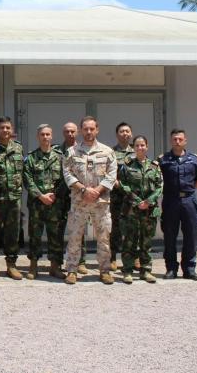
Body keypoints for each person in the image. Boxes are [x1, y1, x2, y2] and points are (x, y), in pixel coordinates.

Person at [62, 116, 117, 285]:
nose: (88, 132)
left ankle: (105, 270)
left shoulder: (108, 152)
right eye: (85, 129)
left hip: (101, 202)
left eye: (92, 129)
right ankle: (72, 270)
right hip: (79, 202)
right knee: (74, 236)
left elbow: (112, 175)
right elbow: (67, 173)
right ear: (80, 130)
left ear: (97, 130)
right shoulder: (72, 152)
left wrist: (98, 191)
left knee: (103, 237)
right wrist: (84, 189)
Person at [158, 129, 197, 281]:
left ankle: (189, 268)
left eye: (180, 139)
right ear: (171, 141)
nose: (177, 141)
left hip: (189, 201)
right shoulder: (163, 160)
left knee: (191, 234)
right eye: (174, 139)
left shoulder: (194, 159)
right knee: (169, 235)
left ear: (185, 141)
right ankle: (171, 268)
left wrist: (186, 193)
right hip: (171, 201)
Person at [23, 124, 66, 280]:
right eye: (42, 134)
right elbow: (27, 180)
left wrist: (54, 195)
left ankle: (55, 267)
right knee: (35, 235)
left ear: (52, 136)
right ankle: (33, 267)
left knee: (55, 236)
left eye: (48, 134)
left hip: (55, 204)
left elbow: (65, 179)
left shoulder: (60, 157)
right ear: (38, 137)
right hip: (37, 204)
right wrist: (41, 196)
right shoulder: (31, 157)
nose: (45, 137)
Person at [118, 135, 162, 284]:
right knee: (129, 241)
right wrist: (138, 201)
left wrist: (148, 201)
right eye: (137, 145)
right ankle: (128, 271)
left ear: (147, 147)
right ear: (133, 148)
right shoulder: (127, 165)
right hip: (132, 209)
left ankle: (146, 270)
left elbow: (160, 186)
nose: (140, 148)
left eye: (142, 145)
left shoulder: (155, 166)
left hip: (149, 210)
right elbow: (123, 185)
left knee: (146, 241)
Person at [0, 116, 24, 280]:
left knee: (13, 233)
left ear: (11, 130)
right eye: (2, 127)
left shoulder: (18, 148)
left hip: (14, 198)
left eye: (8, 128)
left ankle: (11, 265)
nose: (5, 130)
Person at [54, 122, 89, 274]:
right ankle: (57, 262)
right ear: (63, 133)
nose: (70, 134)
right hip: (61, 195)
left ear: (77, 133)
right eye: (67, 131)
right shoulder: (56, 151)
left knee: (79, 228)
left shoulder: (82, 150)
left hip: (79, 194)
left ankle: (81, 261)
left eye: (72, 131)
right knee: (58, 229)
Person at [110, 122, 134, 271]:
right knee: (115, 227)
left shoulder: (136, 151)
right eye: (121, 131)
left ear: (131, 134)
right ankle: (112, 257)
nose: (124, 133)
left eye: (127, 131)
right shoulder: (111, 152)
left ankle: (134, 257)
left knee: (133, 227)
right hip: (116, 197)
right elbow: (106, 171)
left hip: (132, 197)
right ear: (117, 134)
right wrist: (116, 182)